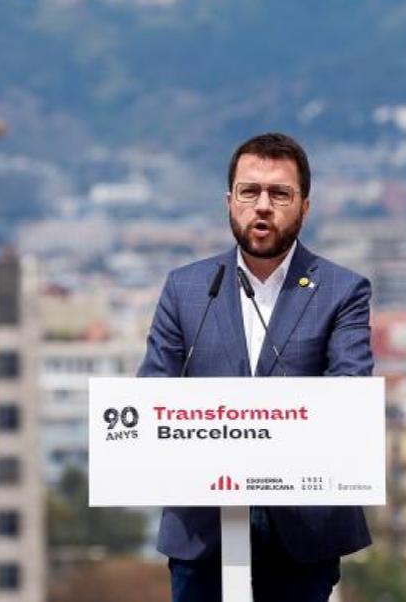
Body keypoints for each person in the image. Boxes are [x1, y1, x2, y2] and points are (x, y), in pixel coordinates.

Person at [138, 132, 374, 602]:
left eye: (279, 193)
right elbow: (151, 396)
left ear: (304, 206)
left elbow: (349, 393)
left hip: (302, 531)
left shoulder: (342, 291)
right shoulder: (186, 289)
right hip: (202, 528)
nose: (262, 205)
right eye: (250, 192)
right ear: (229, 202)